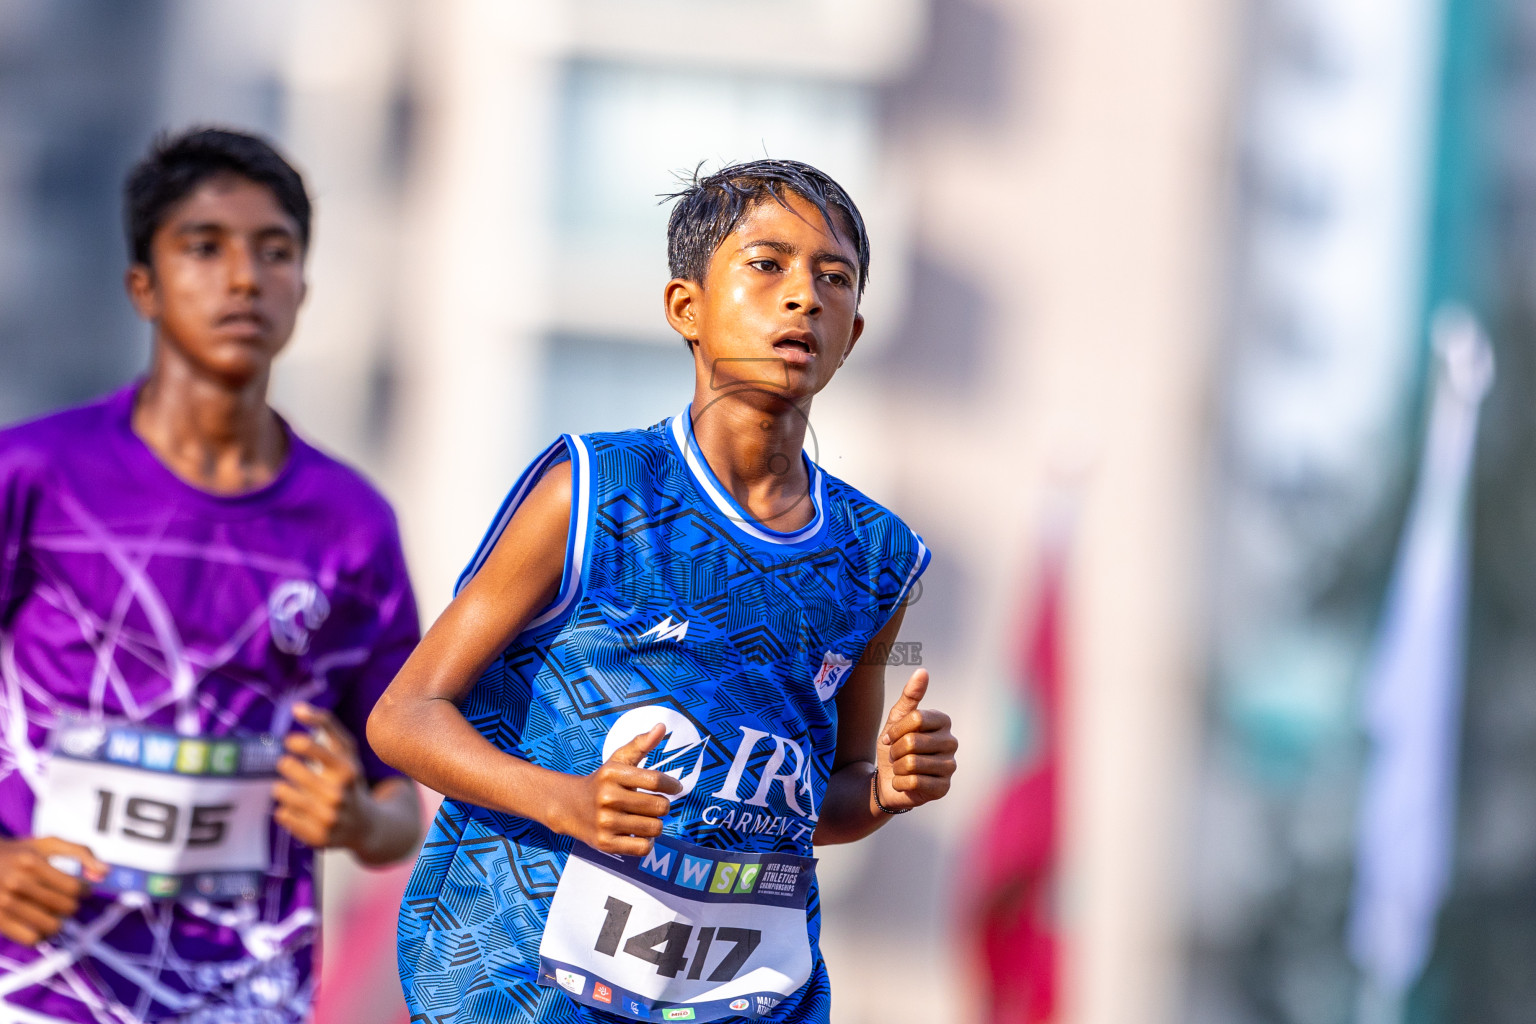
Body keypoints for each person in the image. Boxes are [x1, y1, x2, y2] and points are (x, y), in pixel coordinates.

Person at [370, 159, 958, 1023]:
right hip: (521, 988)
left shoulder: (878, 557)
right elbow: (405, 715)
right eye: (767, 266)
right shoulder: (594, 490)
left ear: (855, 332)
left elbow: (829, 793)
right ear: (686, 306)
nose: (804, 298)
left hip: (750, 999)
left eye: (833, 278)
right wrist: (566, 801)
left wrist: (886, 790)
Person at [0, 127, 425, 1023]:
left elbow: (401, 813)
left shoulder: (351, 525)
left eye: (276, 252)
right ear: (142, 286)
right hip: (38, 986)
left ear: (302, 287)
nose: (244, 278)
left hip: (244, 996)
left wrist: (353, 820)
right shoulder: (33, 477)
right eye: (205, 247)